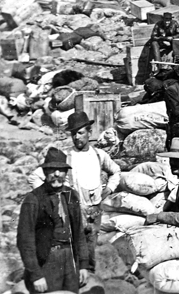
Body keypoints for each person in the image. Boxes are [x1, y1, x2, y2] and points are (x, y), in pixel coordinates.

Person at [28, 112, 120, 271]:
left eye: (80, 132)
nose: (77, 137)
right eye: (73, 133)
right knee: (72, 248)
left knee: (91, 246)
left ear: (90, 133)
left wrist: (110, 188)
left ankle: (89, 277)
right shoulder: (66, 157)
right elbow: (34, 177)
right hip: (73, 209)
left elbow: (116, 171)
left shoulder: (99, 155)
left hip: (95, 209)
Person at [18, 148, 90, 294]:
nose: (57, 174)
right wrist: (36, 275)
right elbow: (25, 241)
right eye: (52, 170)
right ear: (45, 172)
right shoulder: (33, 199)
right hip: (47, 260)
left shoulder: (71, 195)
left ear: (66, 172)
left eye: (61, 170)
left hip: (70, 259)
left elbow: (79, 232)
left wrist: (83, 264)